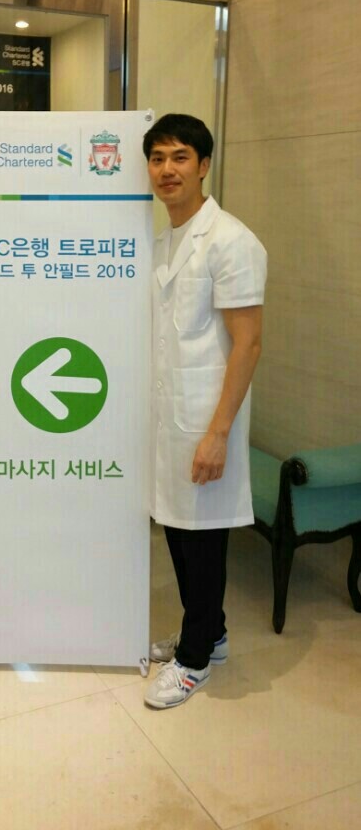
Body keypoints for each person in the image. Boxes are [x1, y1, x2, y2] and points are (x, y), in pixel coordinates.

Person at [142, 114, 267, 710]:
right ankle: (208, 635)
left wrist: (218, 433)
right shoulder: (164, 238)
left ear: (204, 165)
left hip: (206, 420)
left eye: (180, 157)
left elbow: (249, 343)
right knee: (177, 528)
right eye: (158, 158)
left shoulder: (231, 240)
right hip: (169, 420)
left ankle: (193, 661)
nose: (167, 170)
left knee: (204, 543)